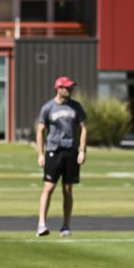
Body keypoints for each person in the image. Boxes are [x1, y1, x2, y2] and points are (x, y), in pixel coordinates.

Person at [34, 76, 87, 237]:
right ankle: (41, 224)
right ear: (58, 88)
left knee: (68, 190)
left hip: (71, 151)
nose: (70, 90)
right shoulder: (48, 107)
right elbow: (40, 131)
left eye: (71, 88)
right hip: (53, 151)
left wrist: (82, 150)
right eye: (67, 87)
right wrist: (40, 154)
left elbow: (83, 128)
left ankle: (66, 225)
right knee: (48, 187)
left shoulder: (76, 107)